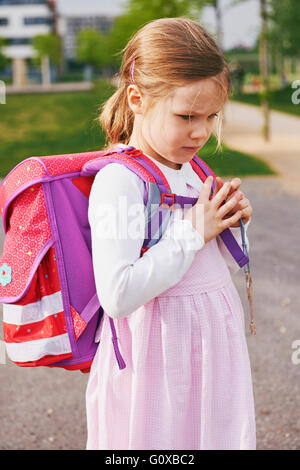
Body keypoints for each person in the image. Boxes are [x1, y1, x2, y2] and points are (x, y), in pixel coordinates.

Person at [85, 17, 256, 450]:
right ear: (137, 99)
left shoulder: (194, 171)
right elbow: (117, 294)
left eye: (211, 116)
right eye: (186, 116)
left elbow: (199, 273)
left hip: (210, 352)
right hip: (156, 364)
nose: (201, 132)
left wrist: (228, 224)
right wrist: (192, 234)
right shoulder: (121, 181)